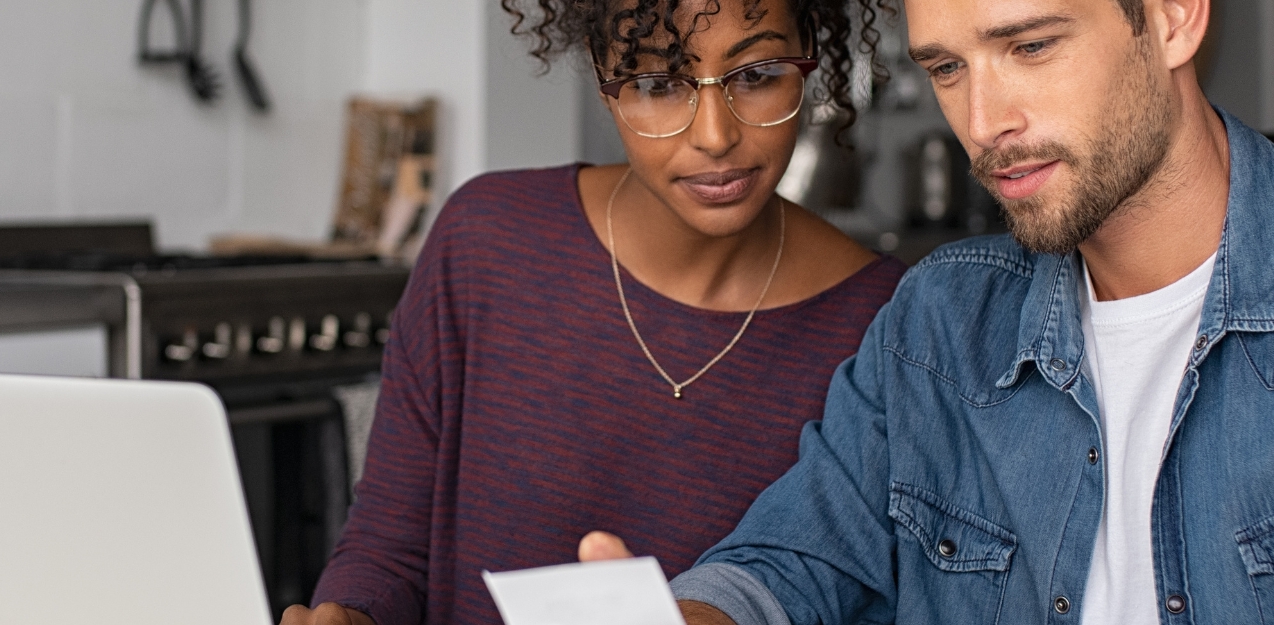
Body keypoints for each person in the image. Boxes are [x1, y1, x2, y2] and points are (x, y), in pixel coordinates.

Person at [578, 0, 1274, 623]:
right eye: (946, 67)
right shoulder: (938, 319)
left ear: (1174, 17)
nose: (984, 122)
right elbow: (786, 565)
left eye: (1029, 45)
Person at [279, 1, 901, 624]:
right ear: (604, 76)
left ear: (807, 54)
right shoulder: (485, 242)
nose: (715, 135)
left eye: (757, 75)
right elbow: (389, 548)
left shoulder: (888, 324)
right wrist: (347, 615)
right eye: (658, 84)